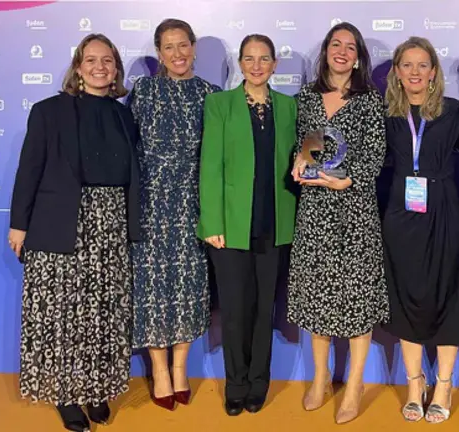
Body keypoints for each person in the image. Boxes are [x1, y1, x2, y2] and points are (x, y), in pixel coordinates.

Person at [7, 33, 139, 432]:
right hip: (61, 221)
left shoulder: (123, 115)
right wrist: (19, 224)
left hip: (111, 224)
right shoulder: (48, 111)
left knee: (103, 310)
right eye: (91, 60)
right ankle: (66, 395)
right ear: (78, 67)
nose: (100, 67)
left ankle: (97, 389)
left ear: (115, 68)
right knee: (64, 312)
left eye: (108, 61)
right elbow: (29, 168)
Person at [287, 21, 388, 425]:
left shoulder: (369, 99)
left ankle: (356, 383)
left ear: (359, 55)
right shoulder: (309, 96)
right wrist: (301, 162)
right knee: (318, 295)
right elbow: (309, 143)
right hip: (315, 211)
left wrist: (348, 180)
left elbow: (376, 154)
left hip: (354, 211)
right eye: (336, 44)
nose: (342, 51)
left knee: (356, 299)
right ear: (326, 50)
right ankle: (321, 377)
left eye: (350, 46)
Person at [198, 34, 298, 416]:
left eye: (264, 59)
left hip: (275, 225)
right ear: (239, 63)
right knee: (235, 311)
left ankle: (259, 383)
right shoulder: (219, 104)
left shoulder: (289, 107)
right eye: (249, 58)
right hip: (230, 227)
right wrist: (212, 222)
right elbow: (210, 168)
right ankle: (235, 385)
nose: (257, 66)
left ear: (274, 64)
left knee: (264, 311)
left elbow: (301, 160)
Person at [126, 18, 222, 410]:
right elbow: (128, 151)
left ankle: (180, 368)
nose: (178, 54)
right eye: (168, 47)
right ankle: (160, 370)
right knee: (150, 292)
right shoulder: (143, 91)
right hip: (149, 205)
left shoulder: (211, 94)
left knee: (188, 289)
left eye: (183, 45)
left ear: (194, 47)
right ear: (159, 52)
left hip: (193, 206)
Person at [382, 36, 459, 424]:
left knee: (448, 294)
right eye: (407, 65)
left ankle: (444, 384)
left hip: (444, 212)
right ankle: (414, 383)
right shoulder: (385, 114)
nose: (415, 72)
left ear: (434, 72)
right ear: (397, 73)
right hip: (401, 215)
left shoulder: (452, 111)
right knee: (407, 297)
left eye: (423, 65)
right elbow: (353, 152)